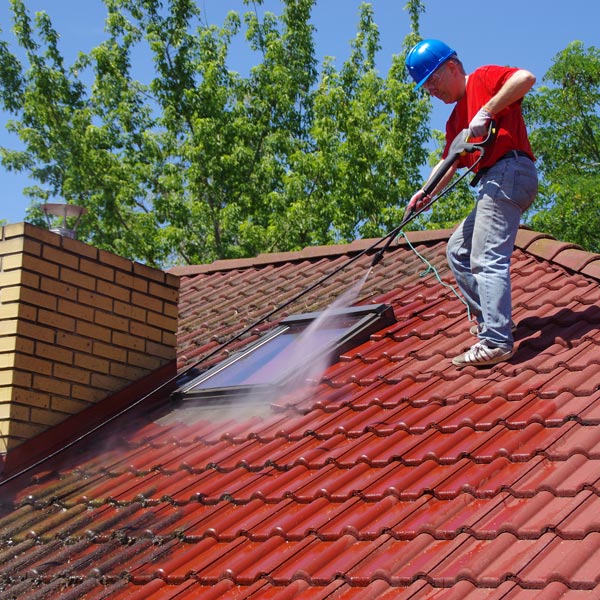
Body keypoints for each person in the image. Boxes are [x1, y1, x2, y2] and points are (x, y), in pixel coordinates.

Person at [405, 39, 538, 367]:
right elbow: (450, 161)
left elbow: (526, 78)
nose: (432, 92)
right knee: (458, 252)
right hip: (495, 180)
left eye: (432, 81)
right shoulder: (454, 122)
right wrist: (426, 192)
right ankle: (491, 324)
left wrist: (487, 110)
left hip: (510, 170)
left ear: (452, 67)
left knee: (485, 255)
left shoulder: (482, 78)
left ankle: (496, 340)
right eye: (426, 88)